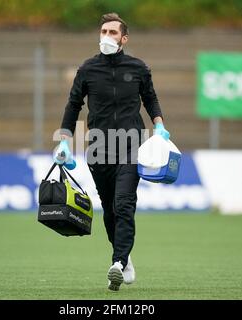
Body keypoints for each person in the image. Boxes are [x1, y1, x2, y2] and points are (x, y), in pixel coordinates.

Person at [54, 12, 170, 291]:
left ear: (124, 38)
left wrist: (160, 126)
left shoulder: (139, 68)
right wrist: (64, 141)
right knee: (109, 210)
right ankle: (125, 256)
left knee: (123, 204)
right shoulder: (87, 69)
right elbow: (73, 106)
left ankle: (117, 263)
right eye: (103, 31)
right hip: (99, 148)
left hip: (132, 145)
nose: (106, 36)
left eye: (112, 32)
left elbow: (150, 98)